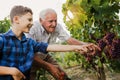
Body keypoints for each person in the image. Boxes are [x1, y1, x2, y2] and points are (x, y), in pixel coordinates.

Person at [0, 5, 100, 80]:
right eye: (29, 20)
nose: (54, 24)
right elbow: (30, 57)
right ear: (16, 19)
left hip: (41, 58)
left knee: (61, 74)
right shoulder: (4, 39)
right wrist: (12, 71)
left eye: (55, 21)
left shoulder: (28, 43)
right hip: (33, 59)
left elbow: (52, 46)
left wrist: (81, 46)